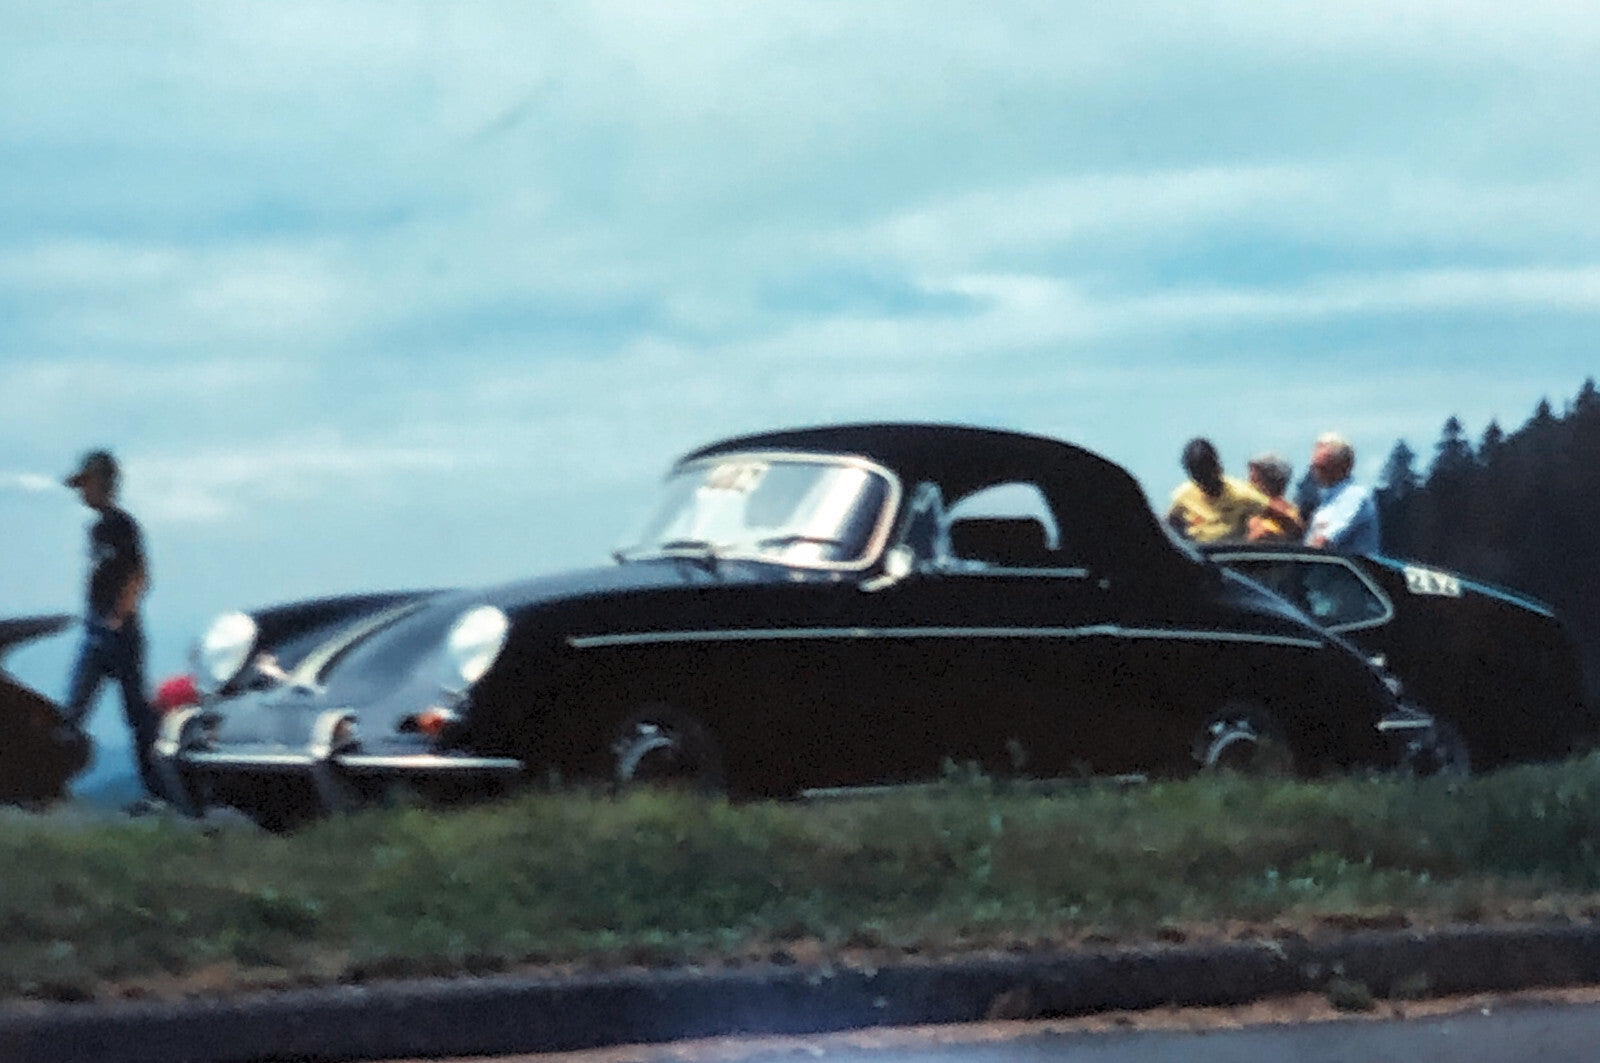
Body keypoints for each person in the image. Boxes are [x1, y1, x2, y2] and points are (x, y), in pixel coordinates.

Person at [60, 449, 162, 808]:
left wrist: (120, 615)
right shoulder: (98, 528)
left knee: (137, 715)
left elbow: (140, 574)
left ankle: (157, 792)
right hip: (96, 627)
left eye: (86, 484)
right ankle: (50, 784)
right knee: (74, 709)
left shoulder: (122, 525)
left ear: (101, 483)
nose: (82, 494)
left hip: (117, 631)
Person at [1165, 438, 1276, 543]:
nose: (1204, 480)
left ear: (1217, 466)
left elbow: (1279, 513)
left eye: (1207, 472)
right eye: (1198, 475)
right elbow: (1168, 525)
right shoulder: (1183, 495)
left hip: (1231, 555)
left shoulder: (1241, 493)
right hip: (1198, 554)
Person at [1304, 432, 1382, 553]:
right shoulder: (1327, 501)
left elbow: (1324, 543)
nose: (1315, 473)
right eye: (1314, 467)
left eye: (1323, 468)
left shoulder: (1354, 497)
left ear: (1345, 466)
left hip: (1346, 571)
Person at [1244, 453, 1305, 542]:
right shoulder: (1248, 508)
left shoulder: (1289, 512)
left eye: (1256, 475)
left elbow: (1295, 530)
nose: (1250, 479)